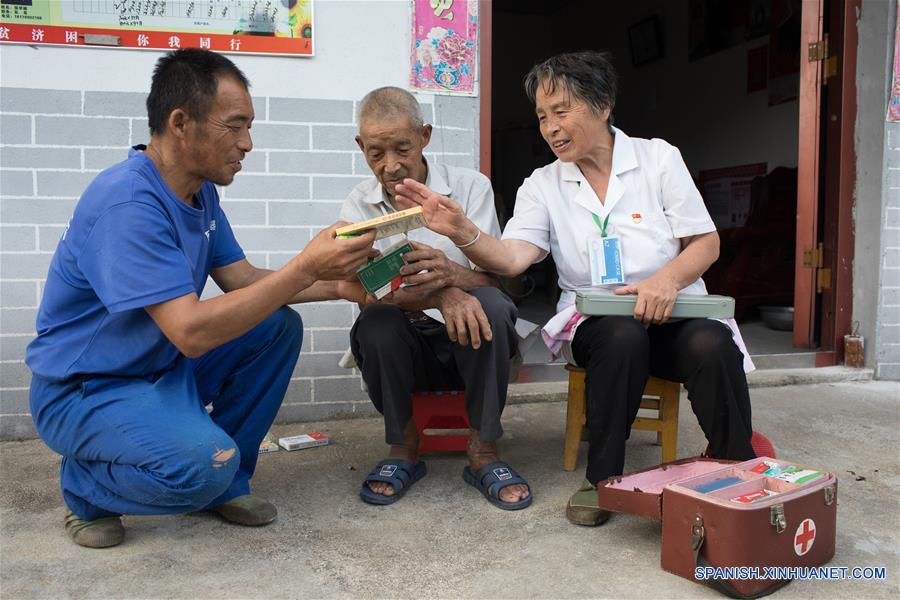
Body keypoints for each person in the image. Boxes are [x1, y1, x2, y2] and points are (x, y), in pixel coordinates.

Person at [25, 48, 375, 548]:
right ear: (181, 122)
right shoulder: (127, 203)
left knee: (276, 327)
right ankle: (85, 487)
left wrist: (339, 286)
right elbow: (190, 332)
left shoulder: (199, 192)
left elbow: (241, 279)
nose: (248, 143)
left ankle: (226, 483)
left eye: (249, 127)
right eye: (234, 126)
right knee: (197, 470)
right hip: (86, 389)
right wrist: (305, 266)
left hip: (157, 370)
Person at [395, 52, 759, 525]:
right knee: (621, 338)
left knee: (712, 343)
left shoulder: (658, 159)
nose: (550, 127)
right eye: (542, 116)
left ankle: (738, 472)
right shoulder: (543, 185)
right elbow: (510, 259)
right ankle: (602, 480)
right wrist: (461, 230)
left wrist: (665, 281)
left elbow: (705, 242)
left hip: (672, 308)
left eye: (561, 110)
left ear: (603, 105)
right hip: (597, 321)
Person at [340, 86, 531, 510]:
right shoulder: (359, 204)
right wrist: (444, 294)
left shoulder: (469, 188)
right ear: (361, 147)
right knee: (375, 322)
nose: (390, 166)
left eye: (402, 148)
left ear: (425, 136)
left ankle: (483, 450)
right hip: (408, 351)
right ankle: (403, 447)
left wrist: (454, 277)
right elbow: (366, 292)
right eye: (375, 153)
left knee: (495, 308)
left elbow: (498, 280)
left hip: (472, 348)